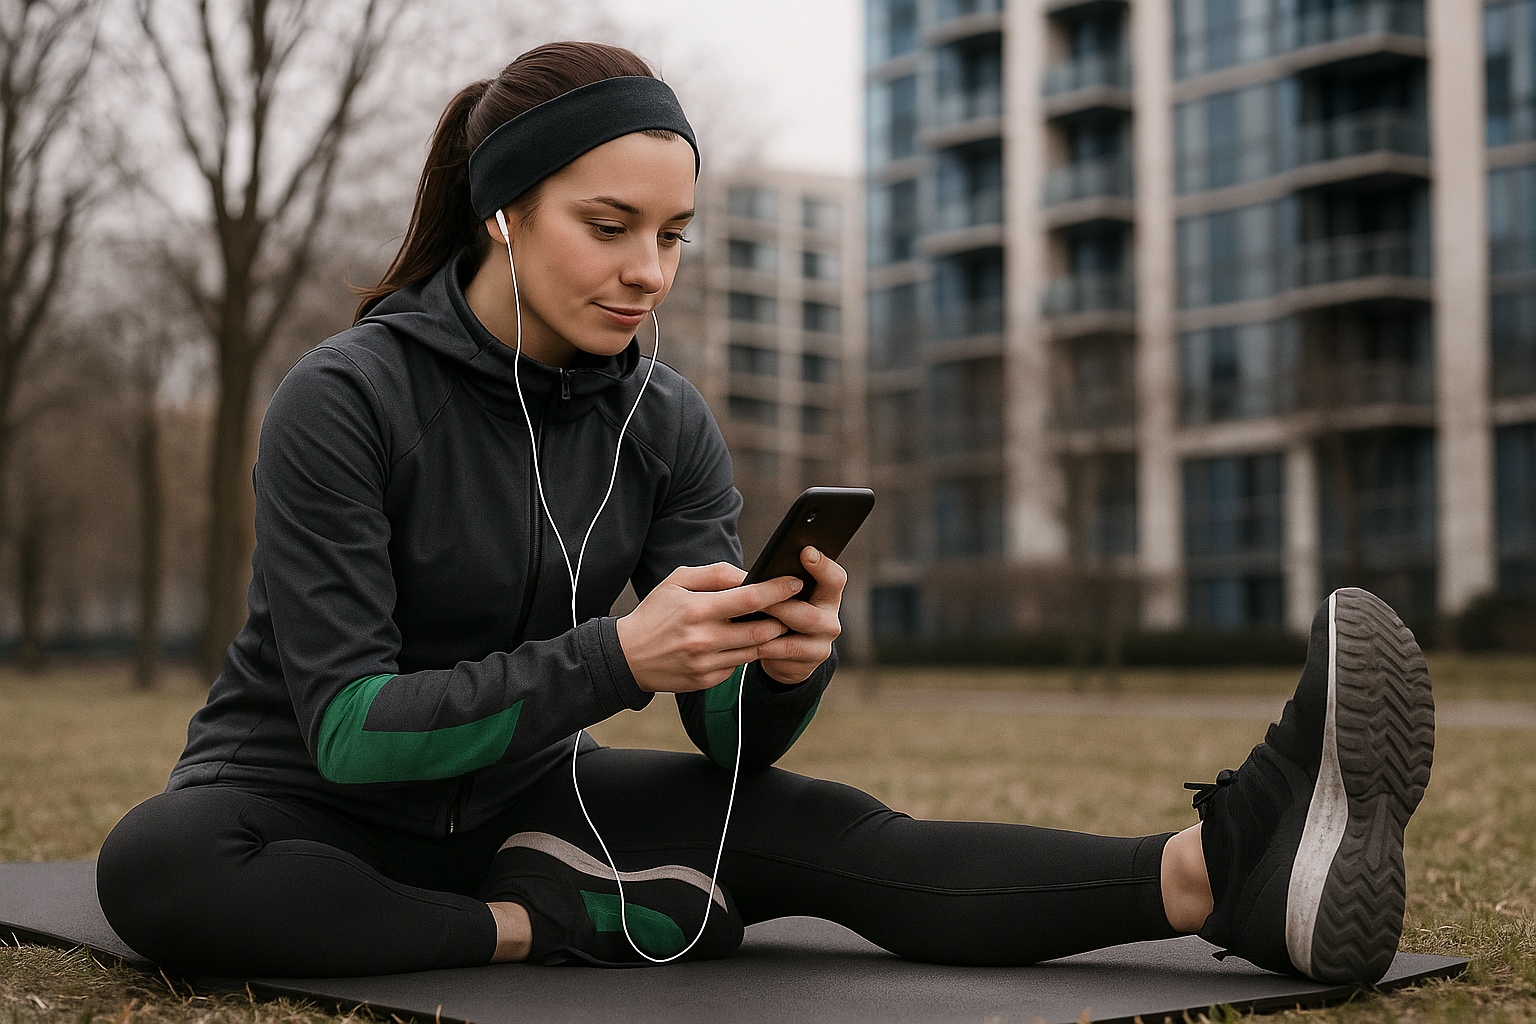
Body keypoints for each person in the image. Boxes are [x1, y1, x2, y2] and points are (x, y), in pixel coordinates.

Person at [95, 41, 1435, 984]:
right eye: (609, 225)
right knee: (157, 866)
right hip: (304, 806)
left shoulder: (662, 418)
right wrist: (615, 659)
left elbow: (725, 736)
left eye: (673, 235)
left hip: (528, 800)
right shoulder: (344, 400)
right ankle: (544, 926)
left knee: (828, 826)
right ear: (504, 214)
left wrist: (780, 658)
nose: (646, 273)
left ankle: (1231, 871)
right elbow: (346, 732)